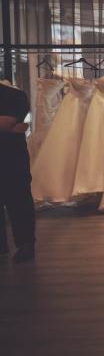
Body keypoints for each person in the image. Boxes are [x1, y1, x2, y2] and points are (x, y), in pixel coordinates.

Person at [0, 81, 35, 263]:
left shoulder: (14, 95)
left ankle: (25, 244)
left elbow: (7, 122)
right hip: (11, 152)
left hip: (11, 158)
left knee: (19, 202)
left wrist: (9, 126)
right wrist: (9, 128)